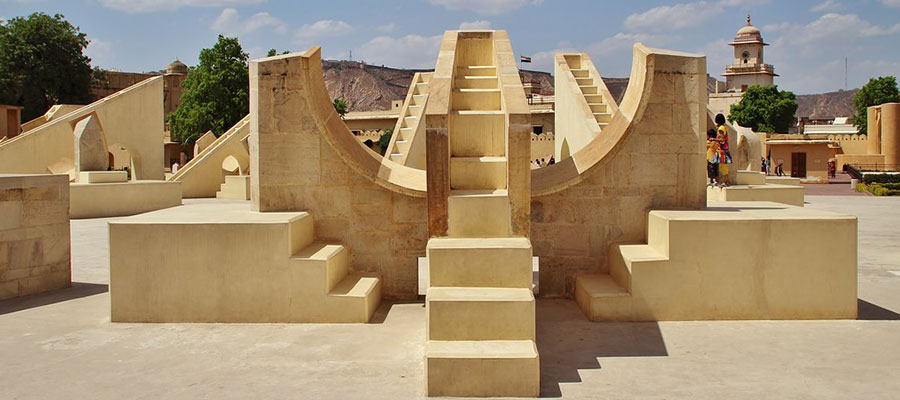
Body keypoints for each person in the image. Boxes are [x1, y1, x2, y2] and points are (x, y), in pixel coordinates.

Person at [714, 114, 732, 186]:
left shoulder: (721, 129)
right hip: (724, 149)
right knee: (724, 165)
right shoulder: (724, 127)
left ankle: (725, 180)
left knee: (722, 166)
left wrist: (713, 139)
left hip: (721, 149)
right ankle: (727, 180)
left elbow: (722, 139)